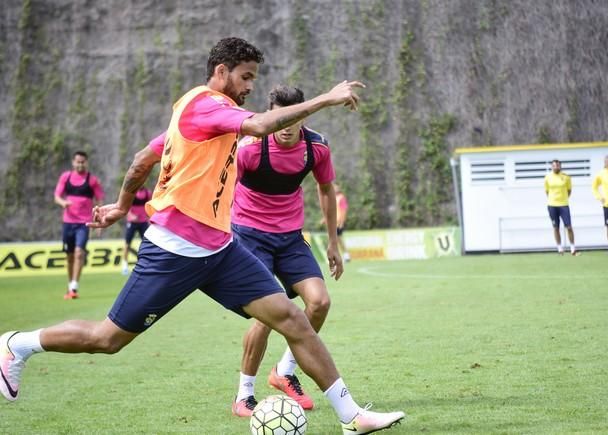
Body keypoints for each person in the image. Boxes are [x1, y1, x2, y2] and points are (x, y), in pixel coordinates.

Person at [0, 37, 404, 435]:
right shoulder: (205, 105)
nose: (250, 87)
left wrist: (123, 206)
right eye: (246, 77)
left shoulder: (208, 113)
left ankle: (352, 415)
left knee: (293, 319)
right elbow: (262, 125)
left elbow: (144, 158)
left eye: (253, 78)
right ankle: (18, 344)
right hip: (174, 249)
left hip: (221, 248)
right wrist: (325, 99)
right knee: (106, 340)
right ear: (221, 71)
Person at [231, 85, 343, 417]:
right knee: (269, 314)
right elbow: (223, 187)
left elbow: (325, 190)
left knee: (320, 302)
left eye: (293, 118)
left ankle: (284, 371)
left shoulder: (316, 147)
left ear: (303, 115)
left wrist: (333, 242)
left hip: (290, 237)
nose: (286, 126)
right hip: (250, 235)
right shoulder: (249, 148)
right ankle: (244, 395)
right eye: (280, 118)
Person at [53, 151, 105, 299]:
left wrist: (99, 221)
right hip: (68, 223)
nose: (80, 164)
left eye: (83, 162)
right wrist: (63, 203)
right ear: (73, 162)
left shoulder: (92, 180)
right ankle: (70, 285)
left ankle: (74, 287)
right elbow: (57, 196)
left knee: (79, 253)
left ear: (86, 163)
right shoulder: (66, 177)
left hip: (84, 223)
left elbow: (100, 201)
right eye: (78, 162)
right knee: (69, 256)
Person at [544, 159, 578, 255]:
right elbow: (547, 191)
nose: (556, 167)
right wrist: (553, 199)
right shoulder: (547, 177)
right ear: (552, 167)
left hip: (564, 205)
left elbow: (569, 191)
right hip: (552, 205)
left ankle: (572, 249)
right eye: (554, 166)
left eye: (558, 165)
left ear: (560, 166)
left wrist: (563, 199)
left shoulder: (566, 177)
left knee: (569, 227)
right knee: (556, 227)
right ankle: (560, 249)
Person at [121, 185, 152, 275]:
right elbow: (126, 206)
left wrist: (149, 218)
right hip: (132, 222)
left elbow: (149, 206)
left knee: (146, 243)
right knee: (127, 244)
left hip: (143, 222)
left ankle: (146, 264)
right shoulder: (132, 192)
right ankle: (124, 265)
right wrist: (131, 215)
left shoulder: (147, 193)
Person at [335, 184, 351, 262]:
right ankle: (343, 255)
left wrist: (342, 222)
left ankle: (346, 255)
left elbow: (344, 210)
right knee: (336, 239)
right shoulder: (334, 198)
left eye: (336, 187)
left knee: (338, 239)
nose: (335, 188)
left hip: (338, 222)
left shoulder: (341, 198)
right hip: (334, 222)